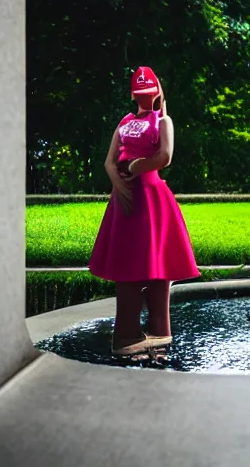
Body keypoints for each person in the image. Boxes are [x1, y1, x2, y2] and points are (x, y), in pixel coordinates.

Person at [89, 66, 200, 356]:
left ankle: (158, 332)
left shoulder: (162, 121)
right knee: (128, 266)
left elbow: (164, 156)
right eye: (141, 90)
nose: (145, 95)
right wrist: (118, 181)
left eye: (148, 89)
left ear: (156, 92)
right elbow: (109, 161)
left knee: (156, 265)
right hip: (127, 200)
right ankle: (126, 335)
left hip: (151, 197)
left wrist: (135, 167)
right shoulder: (125, 121)